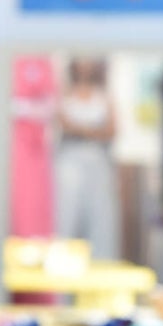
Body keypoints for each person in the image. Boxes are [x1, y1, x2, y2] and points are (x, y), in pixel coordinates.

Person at [52, 56, 119, 259]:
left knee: (100, 219)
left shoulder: (104, 95)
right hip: (68, 161)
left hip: (97, 163)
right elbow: (61, 122)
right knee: (65, 214)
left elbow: (112, 130)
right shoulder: (64, 93)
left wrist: (79, 129)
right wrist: (92, 130)